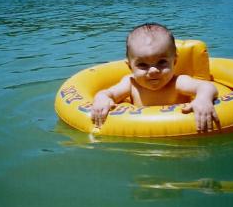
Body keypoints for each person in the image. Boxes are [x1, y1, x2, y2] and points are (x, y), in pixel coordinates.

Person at [90, 23, 219, 132]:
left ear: (174, 62)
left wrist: (203, 99)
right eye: (142, 65)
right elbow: (109, 93)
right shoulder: (130, 84)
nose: (153, 70)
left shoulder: (178, 82)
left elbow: (207, 86)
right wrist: (101, 98)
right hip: (141, 133)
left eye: (162, 62)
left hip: (180, 131)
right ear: (130, 66)